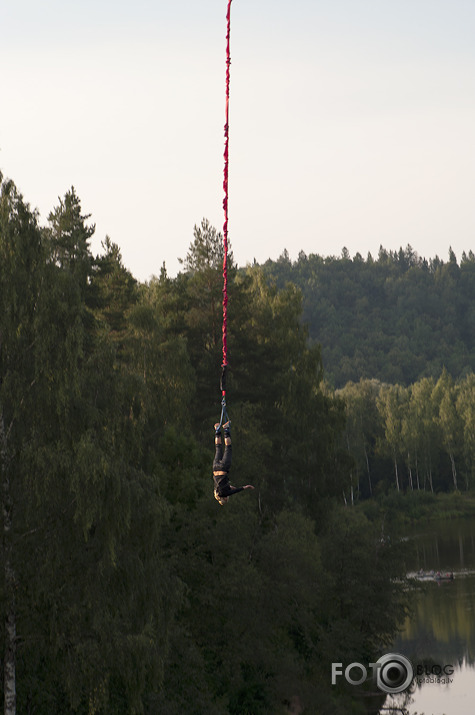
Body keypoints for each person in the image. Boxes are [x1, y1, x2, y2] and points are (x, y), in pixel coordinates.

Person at [213, 421, 254, 505]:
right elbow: (225, 486)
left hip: (223, 468)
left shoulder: (225, 494)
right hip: (215, 468)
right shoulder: (216, 491)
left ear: (225, 498)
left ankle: (226, 429)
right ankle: (217, 430)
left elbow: (235, 491)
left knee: (228, 448)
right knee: (218, 447)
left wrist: (245, 487)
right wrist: (230, 487)